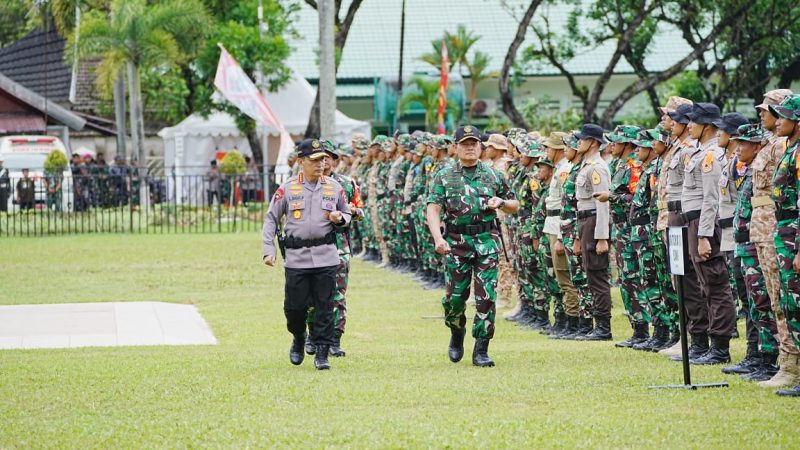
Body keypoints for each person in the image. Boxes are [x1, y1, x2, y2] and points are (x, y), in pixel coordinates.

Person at [426, 125, 519, 367]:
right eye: (465, 143)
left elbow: (515, 204)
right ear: (455, 147)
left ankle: (481, 348)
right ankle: (457, 333)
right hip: (456, 243)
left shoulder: (493, 175)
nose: (470, 147)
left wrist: (501, 203)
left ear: (481, 147)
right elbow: (433, 208)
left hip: (486, 241)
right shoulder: (444, 175)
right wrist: (438, 238)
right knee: (455, 299)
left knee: (486, 297)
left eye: (474, 143)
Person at [261, 138, 352, 370]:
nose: (320, 164)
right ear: (301, 162)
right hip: (297, 258)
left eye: (323, 159)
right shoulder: (287, 189)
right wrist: (268, 250)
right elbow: (272, 218)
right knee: (295, 308)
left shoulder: (335, 187)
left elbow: (347, 213)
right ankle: (299, 337)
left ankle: (322, 352)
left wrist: (340, 218)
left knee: (325, 305)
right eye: (314, 160)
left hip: (326, 255)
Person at [682, 102, 736, 365]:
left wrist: (704, 235)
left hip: (704, 225)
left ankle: (720, 347)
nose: (689, 125)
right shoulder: (699, 152)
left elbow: (711, 198)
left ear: (708, 126)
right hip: (693, 223)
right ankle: (704, 343)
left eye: (694, 121)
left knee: (715, 285)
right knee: (704, 285)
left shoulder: (712, 155)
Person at [767, 95, 800, 396]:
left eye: (784, 117)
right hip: (785, 231)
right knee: (790, 302)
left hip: (795, 233)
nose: (778, 121)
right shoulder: (791, 149)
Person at [573, 124, 613, 341]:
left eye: (583, 139)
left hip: (594, 221)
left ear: (594, 142)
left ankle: (603, 327)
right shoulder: (586, 165)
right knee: (591, 273)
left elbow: (602, 204)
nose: (579, 142)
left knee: (597, 275)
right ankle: (599, 325)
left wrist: (601, 237)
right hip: (585, 220)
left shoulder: (597, 167)